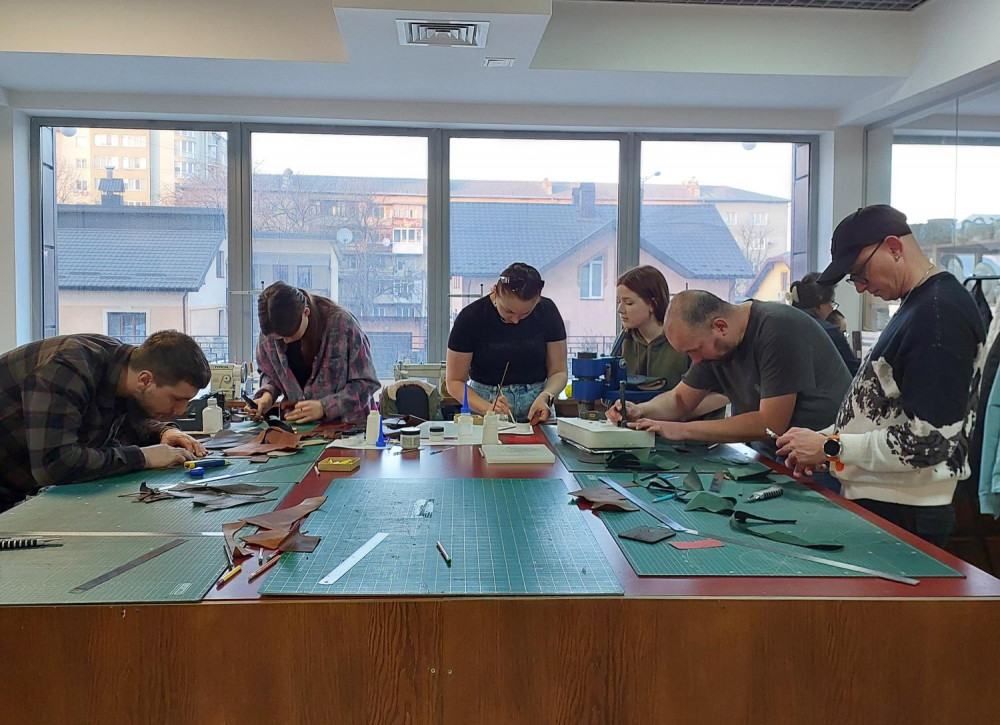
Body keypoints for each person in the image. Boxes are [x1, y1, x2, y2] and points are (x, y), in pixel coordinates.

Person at [777, 204, 986, 546]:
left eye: (860, 272)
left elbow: (929, 441)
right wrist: (820, 441)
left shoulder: (939, 314)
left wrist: (830, 447)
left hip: (906, 510)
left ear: (894, 247)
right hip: (889, 503)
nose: (860, 287)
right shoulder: (919, 305)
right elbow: (887, 411)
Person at [607, 289, 852, 453]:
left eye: (695, 350)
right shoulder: (713, 345)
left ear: (720, 327)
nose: (695, 360)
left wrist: (681, 430)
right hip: (774, 453)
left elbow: (770, 424)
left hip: (825, 454)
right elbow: (680, 399)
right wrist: (641, 410)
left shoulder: (777, 329)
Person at [0, 331, 211, 511]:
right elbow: (54, 464)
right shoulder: (68, 367)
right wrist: (143, 457)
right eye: (177, 399)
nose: (181, 411)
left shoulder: (123, 370)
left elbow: (127, 421)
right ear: (145, 380)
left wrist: (163, 432)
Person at [446, 263, 568, 423]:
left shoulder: (547, 311)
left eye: (525, 313)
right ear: (495, 291)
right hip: (485, 404)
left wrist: (546, 396)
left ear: (538, 300)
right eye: (508, 311)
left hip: (538, 406)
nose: (516, 320)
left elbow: (559, 372)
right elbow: (454, 382)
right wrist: (487, 408)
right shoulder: (471, 317)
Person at [253, 282, 380, 424]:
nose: (285, 341)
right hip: (296, 428)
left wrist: (324, 407)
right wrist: (267, 395)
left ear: (306, 312)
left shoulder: (342, 325)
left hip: (346, 427)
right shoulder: (271, 329)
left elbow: (367, 383)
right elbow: (270, 374)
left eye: (290, 334)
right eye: (278, 338)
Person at [615, 265, 727, 416]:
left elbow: (722, 395)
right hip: (640, 426)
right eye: (618, 302)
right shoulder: (624, 342)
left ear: (652, 304)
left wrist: (676, 415)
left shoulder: (687, 340)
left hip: (690, 429)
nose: (620, 309)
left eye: (629, 303)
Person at [788, 272, 860, 375]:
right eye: (831, 302)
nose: (831, 308)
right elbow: (854, 371)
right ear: (820, 305)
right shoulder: (828, 331)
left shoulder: (786, 325)